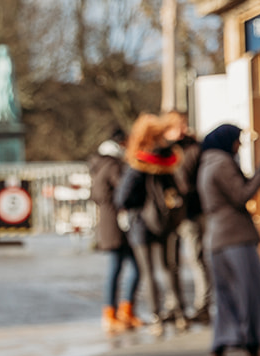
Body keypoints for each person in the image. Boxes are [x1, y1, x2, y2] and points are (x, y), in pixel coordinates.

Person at [196, 124, 260, 356]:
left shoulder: (206, 163)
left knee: (226, 301)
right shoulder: (222, 163)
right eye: (237, 141)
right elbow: (240, 195)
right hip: (236, 238)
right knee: (249, 296)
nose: (239, 146)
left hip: (217, 240)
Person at [115, 112, 190, 332]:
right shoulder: (169, 159)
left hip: (141, 224)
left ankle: (156, 315)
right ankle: (179, 311)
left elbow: (122, 197)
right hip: (166, 222)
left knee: (148, 272)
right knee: (169, 267)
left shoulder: (137, 162)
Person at [88, 127, 140, 332]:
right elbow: (124, 190)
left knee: (117, 267)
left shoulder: (99, 164)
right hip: (117, 223)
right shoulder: (114, 165)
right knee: (128, 267)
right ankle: (120, 311)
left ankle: (115, 312)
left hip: (108, 223)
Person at [169, 112, 213, 324]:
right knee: (171, 263)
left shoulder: (194, 149)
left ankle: (202, 305)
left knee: (196, 259)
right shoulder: (164, 149)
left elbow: (186, 182)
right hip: (169, 215)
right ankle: (174, 305)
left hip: (191, 212)